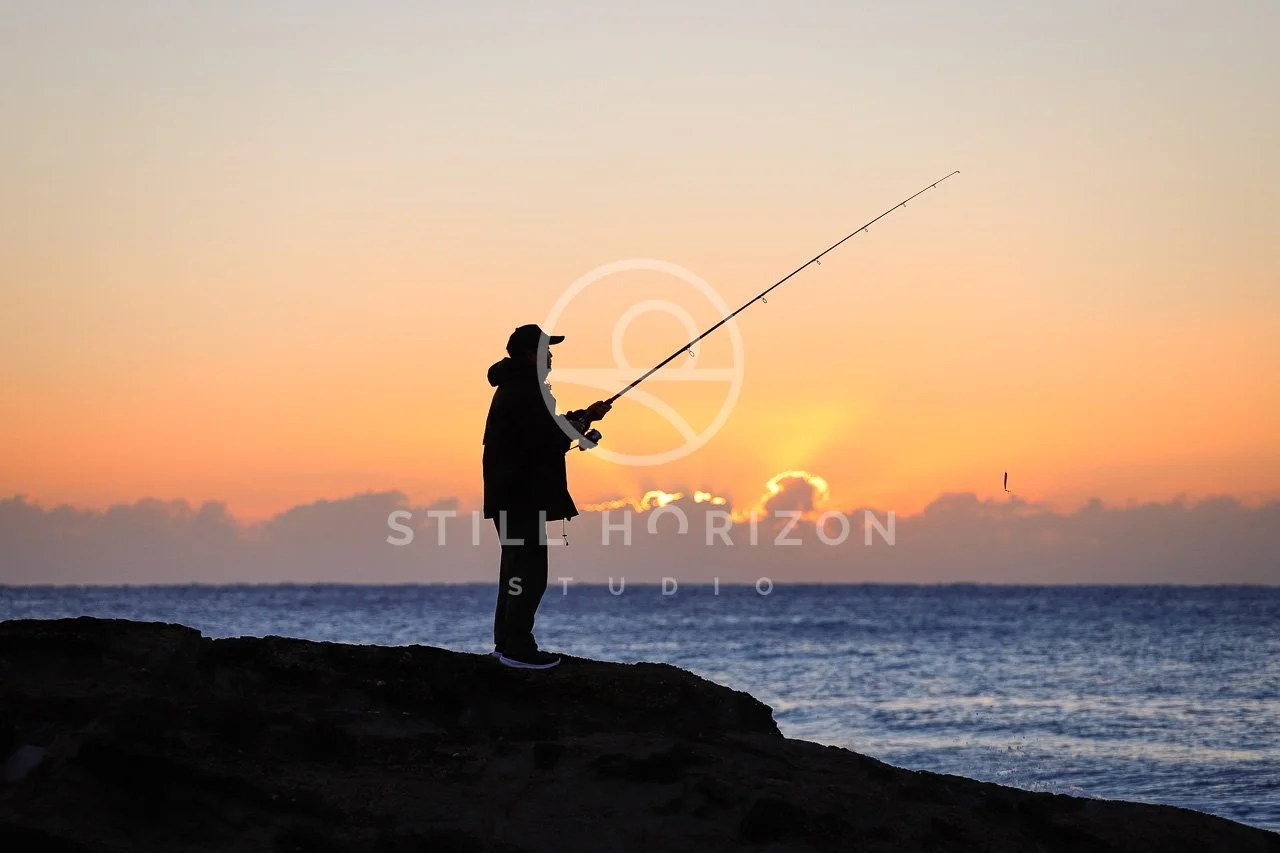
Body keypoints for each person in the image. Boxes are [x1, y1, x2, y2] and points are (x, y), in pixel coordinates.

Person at [482, 324, 611, 669]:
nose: (551, 356)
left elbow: (543, 432)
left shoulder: (517, 387)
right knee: (529, 572)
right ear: (530, 355)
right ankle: (517, 649)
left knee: (515, 570)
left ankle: (505, 644)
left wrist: (583, 418)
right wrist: (580, 425)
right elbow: (546, 440)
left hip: (509, 495)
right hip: (521, 496)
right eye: (546, 350)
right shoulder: (526, 391)